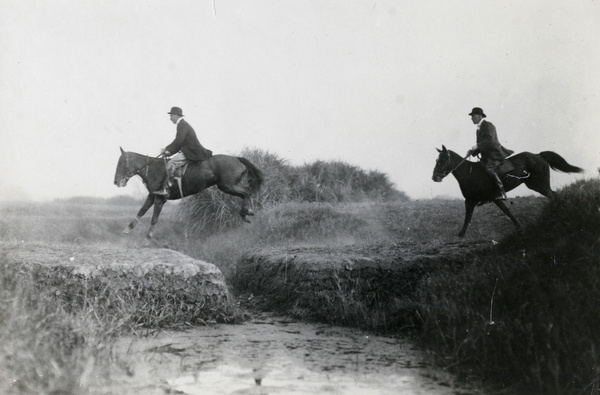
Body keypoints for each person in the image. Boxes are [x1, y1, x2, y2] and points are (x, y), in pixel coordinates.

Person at [154, 106, 213, 196]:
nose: (170, 118)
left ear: (176, 115)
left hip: (191, 152)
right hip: (189, 151)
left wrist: (167, 149)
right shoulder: (182, 124)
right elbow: (179, 143)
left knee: (170, 164)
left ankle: (167, 190)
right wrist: (168, 151)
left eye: (171, 116)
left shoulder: (182, 125)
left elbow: (178, 141)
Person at [466, 107, 514, 200]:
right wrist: (472, 152)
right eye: (471, 116)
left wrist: (476, 146)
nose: (471, 118)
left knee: (489, 169)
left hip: (495, 154)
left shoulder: (488, 125)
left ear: (480, 116)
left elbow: (490, 140)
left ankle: (501, 192)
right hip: (487, 156)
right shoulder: (478, 129)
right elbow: (483, 146)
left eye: (473, 116)